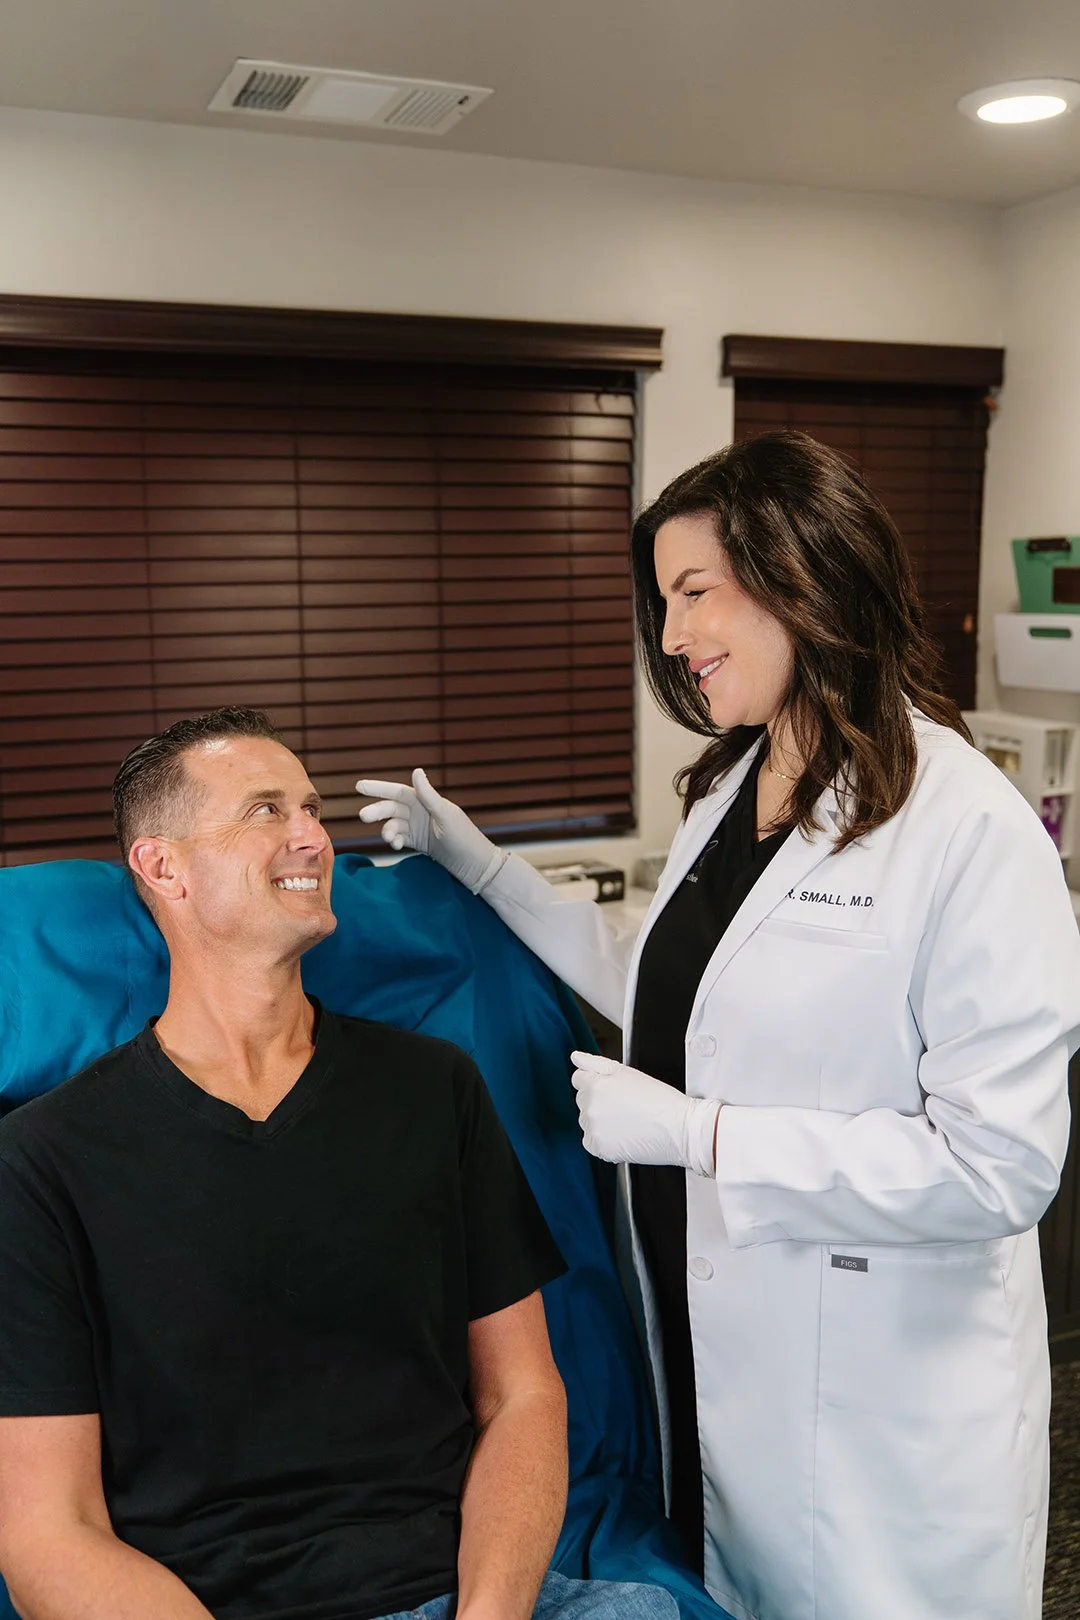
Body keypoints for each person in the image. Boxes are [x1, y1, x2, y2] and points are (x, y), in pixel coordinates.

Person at [357, 430, 1080, 1620]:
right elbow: (655, 979)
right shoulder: (735, 789)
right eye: (662, 603)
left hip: (881, 1400)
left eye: (696, 593)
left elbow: (999, 1168)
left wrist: (703, 1135)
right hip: (718, 1348)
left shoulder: (968, 828)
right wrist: (483, 867)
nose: (675, 636)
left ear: (805, 571)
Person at [0, 707, 678, 1620]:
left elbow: (524, 1393)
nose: (313, 837)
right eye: (267, 811)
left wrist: (489, 1614)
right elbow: (48, 1533)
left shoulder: (436, 1089)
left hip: (467, 1593)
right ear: (164, 868)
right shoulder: (44, 1159)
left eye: (313, 809)